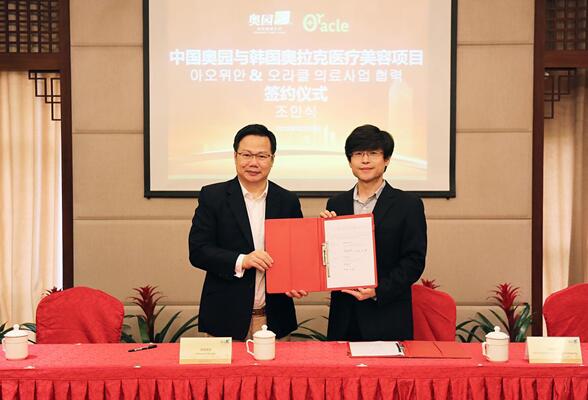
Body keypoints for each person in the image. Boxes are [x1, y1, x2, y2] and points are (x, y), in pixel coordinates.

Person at [188, 124, 306, 340]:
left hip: (275, 318)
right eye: (246, 155)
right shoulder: (213, 196)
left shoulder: (287, 200)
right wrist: (243, 260)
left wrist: (296, 280)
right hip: (225, 318)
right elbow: (198, 251)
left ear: (272, 159)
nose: (253, 163)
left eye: (262, 156)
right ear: (235, 156)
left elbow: (296, 252)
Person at [320, 124, 427, 341]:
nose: (365, 160)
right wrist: (322, 236)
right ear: (349, 161)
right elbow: (328, 260)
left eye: (373, 153)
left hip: (387, 316)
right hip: (344, 317)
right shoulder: (336, 203)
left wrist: (378, 290)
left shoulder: (408, 204)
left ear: (386, 159)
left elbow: (414, 261)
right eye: (358, 154)